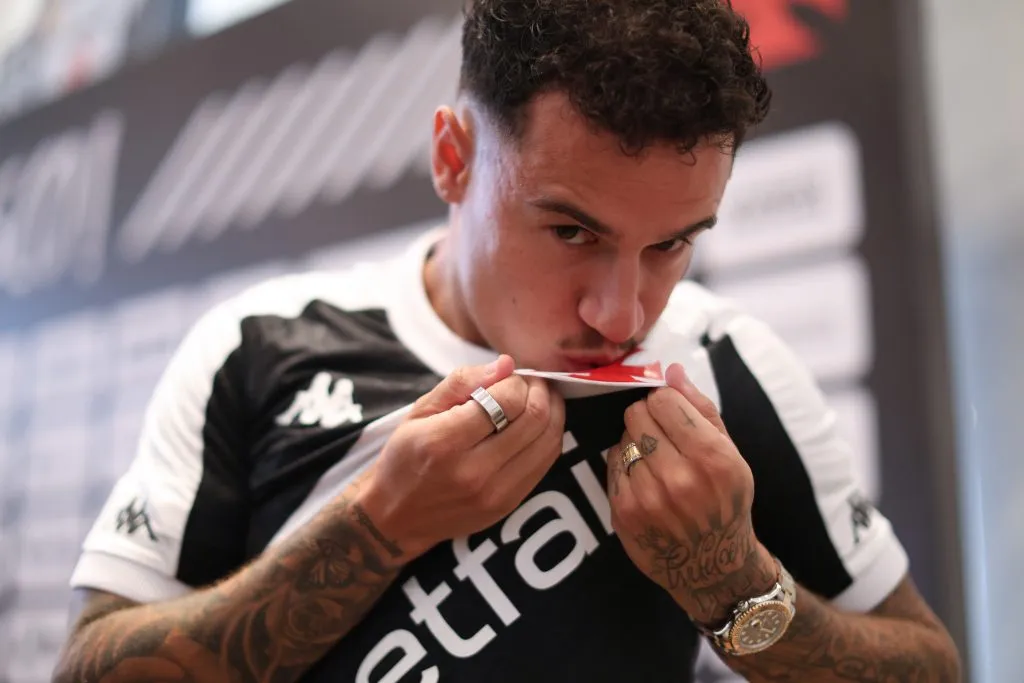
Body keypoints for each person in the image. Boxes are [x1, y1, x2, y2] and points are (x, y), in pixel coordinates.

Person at [52, 1, 962, 681]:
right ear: (453, 158)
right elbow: (89, 666)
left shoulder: (727, 363)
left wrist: (730, 585)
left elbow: (931, 665)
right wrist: (375, 525)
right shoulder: (258, 346)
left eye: (672, 243)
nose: (620, 311)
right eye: (573, 232)